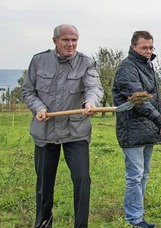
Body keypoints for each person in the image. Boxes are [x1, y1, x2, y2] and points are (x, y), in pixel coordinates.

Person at [22, 24, 103, 228]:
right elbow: (28, 91)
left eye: (74, 39)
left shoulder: (87, 63)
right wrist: (38, 107)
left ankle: (80, 225)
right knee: (44, 184)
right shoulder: (39, 61)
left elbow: (94, 88)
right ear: (55, 41)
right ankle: (43, 223)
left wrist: (90, 103)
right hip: (45, 132)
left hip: (75, 132)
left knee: (82, 179)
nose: (71, 44)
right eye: (66, 39)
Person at [112, 31, 161, 228]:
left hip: (147, 130)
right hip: (132, 130)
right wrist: (160, 121)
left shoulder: (147, 65)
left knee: (143, 175)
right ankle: (134, 218)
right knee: (135, 176)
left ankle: (138, 214)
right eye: (144, 47)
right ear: (133, 47)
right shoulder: (127, 69)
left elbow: (155, 95)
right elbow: (140, 100)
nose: (148, 51)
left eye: (151, 48)